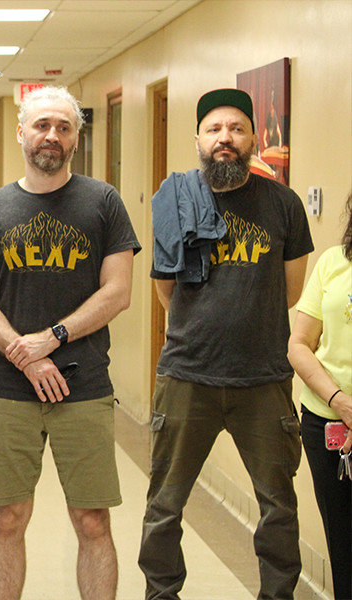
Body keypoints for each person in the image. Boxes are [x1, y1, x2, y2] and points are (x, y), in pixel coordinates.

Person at [0, 85, 140, 600]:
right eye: (42, 125)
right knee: (9, 517)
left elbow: (119, 291)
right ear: (21, 132)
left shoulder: (103, 202)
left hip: (83, 386)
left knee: (91, 520)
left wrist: (53, 338)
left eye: (64, 127)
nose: (52, 135)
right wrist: (25, 354)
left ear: (76, 138)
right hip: (9, 387)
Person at [138, 88, 313, 600]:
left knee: (278, 507)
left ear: (253, 137)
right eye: (214, 129)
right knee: (164, 505)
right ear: (198, 138)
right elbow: (165, 288)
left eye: (236, 129)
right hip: (186, 376)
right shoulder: (176, 198)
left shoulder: (283, 204)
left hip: (264, 379)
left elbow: (293, 290)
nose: (225, 139)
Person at [287, 191, 352, 600]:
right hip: (327, 422)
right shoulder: (332, 262)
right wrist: (341, 402)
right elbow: (299, 344)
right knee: (343, 542)